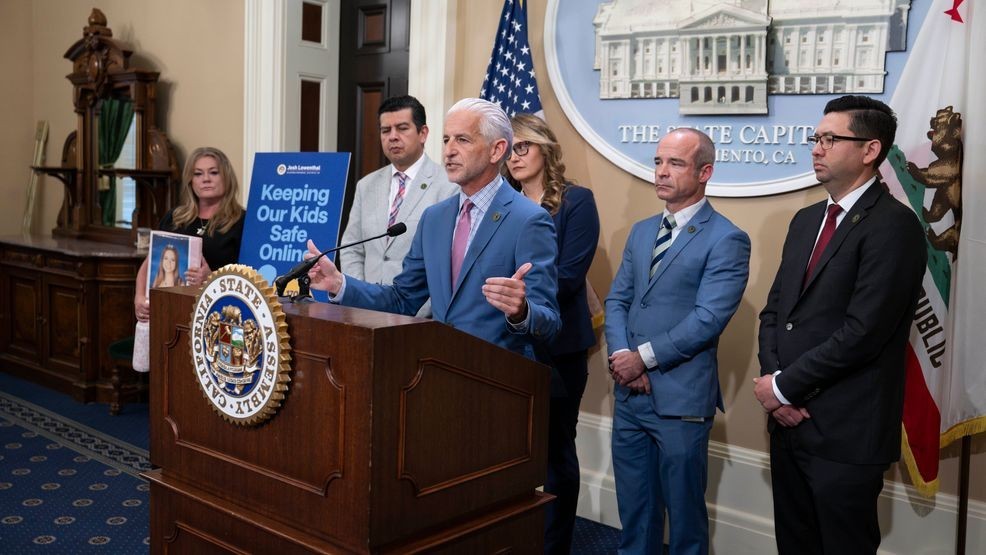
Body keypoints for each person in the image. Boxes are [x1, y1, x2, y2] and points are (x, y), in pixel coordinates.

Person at [754, 95, 926, 554]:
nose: (816, 148)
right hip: (788, 424)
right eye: (816, 138)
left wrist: (785, 388)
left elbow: (864, 333)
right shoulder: (806, 219)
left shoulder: (895, 226)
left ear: (870, 150)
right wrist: (776, 387)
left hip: (845, 431)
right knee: (795, 544)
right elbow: (775, 313)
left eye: (830, 139)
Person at [305, 98, 560, 358]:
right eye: (446, 139)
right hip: (437, 372)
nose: (449, 151)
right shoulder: (435, 218)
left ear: (496, 150)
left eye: (462, 140)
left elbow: (550, 323)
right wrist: (339, 283)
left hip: (496, 377)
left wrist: (522, 311)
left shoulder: (528, 219)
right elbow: (401, 299)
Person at [605, 127, 750, 554]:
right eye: (657, 162)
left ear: (705, 172)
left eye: (675, 163)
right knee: (635, 515)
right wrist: (620, 357)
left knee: (685, 524)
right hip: (630, 397)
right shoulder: (641, 230)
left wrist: (643, 360)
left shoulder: (727, 238)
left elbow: (707, 319)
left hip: (680, 399)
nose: (661, 172)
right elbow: (617, 300)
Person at [504, 113, 600, 554]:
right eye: (509, 148)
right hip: (508, 344)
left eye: (523, 146)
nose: (515, 156)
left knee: (556, 452)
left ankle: (555, 545)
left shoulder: (577, 202)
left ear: (545, 148)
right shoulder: (502, 203)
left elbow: (567, 277)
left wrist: (515, 293)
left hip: (558, 347)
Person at [338, 95, 458, 316]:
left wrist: (420, 313)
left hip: (417, 319)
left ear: (423, 133)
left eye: (402, 128)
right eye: (386, 130)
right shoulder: (366, 185)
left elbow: (448, 264)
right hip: (365, 313)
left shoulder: (449, 187)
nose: (393, 137)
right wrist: (362, 297)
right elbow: (351, 249)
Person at [134, 147, 245, 322]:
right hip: (169, 312)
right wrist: (139, 297)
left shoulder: (242, 222)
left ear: (227, 177)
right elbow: (149, 263)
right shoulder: (174, 217)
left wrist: (211, 277)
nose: (206, 179)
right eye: (198, 174)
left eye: (214, 172)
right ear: (190, 181)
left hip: (216, 316)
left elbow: (248, 280)